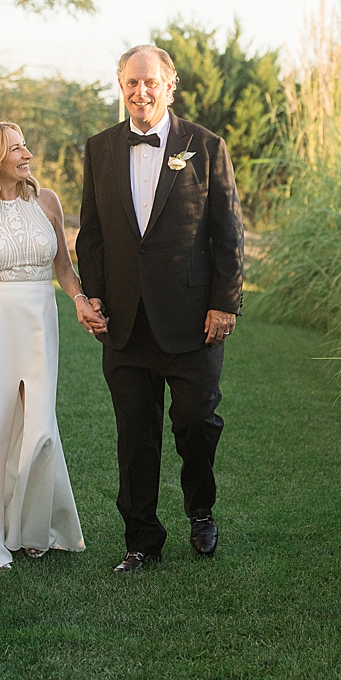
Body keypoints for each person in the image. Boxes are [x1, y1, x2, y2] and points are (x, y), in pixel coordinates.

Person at [75, 45, 245, 573]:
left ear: (170, 87)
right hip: (125, 323)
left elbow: (228, 233)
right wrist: (94, 294)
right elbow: (93, 236)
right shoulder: (99, 149)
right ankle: (142, 541)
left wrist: (224, 303)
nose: (140, 91)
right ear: (120, 85)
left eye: (150, 82)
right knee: (135, 435)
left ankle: (200, 510)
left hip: (193, 320)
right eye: (131, 82)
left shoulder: (206, 146)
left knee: (197, 422)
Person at [0, 121, 107, 573]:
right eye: (16, 148)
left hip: (38, 322)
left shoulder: (46, 200)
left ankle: (33, 527)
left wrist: (78, 301)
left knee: (39, 424)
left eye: (25, 145)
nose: (27, 153)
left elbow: (65, 271)